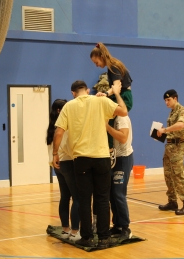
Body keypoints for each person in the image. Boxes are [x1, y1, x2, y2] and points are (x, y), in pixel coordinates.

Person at [52, 80, 128, 249]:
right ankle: (103, 238)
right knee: (102, 199)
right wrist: (116, 93)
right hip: (102, 157)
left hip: (81, 159)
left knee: (84, 200)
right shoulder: (100, 100)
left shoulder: (69, 106)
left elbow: (58, 132)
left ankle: (86, 237)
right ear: (87, 90)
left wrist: (55, 153)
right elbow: (123, 111)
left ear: (73, 93)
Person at [90, 42, 133, 167]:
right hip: (119, 94)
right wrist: (105, 94)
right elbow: (114, 88)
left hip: (124, 97)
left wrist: (108, 94)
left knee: (106, 117)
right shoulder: (112, 66)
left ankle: (110, 150)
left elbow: (117, 87)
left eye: (96, 62)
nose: (96, 65)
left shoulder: (113, 66)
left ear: (101, 57)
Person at [46, 99, 81, 241]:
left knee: (65, 197)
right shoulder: (62, 128)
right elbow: (68, 149)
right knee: (77, 197)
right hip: (67, 163)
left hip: (57, 166)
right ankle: (74, 231)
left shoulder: (50, 128)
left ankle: (65, 229)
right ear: (60, 111)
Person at [157, 89, 184, 215]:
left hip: (178, 146)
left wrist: (165, 130)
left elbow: (180, 126)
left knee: (178, 175)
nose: (166, 102)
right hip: (170, 146)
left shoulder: (183, 111)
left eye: (168, 100)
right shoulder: (172, 112)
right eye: (165, 101)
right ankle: (172, 201)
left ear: (175, 99)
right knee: (168, 175)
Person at [106, 114, 134, 242]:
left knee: (118, 193)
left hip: (123, 158)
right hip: (114, 158)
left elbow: (123, 138)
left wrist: (106, 127)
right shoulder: (112, 118)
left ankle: (125, 227)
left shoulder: (121, 118)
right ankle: (117, 224)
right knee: (112, 193)